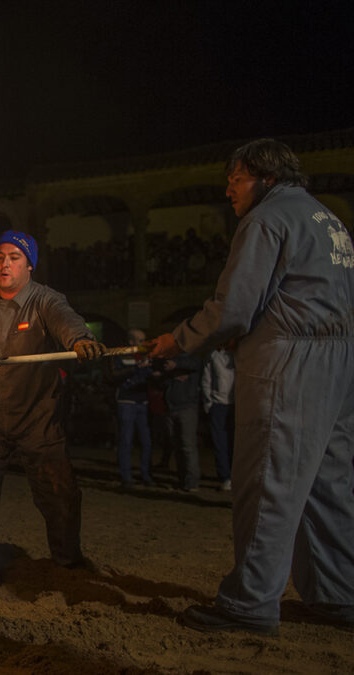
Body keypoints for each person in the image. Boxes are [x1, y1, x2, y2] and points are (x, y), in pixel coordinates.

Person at [148, 139, 354, 635]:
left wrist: (179, 339)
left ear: (262, 177)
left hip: (290, 358)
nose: (228, 191)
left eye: (235, 180)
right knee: (329, 483)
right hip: (341, 358)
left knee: (269, 478)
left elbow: (235, 307)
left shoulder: (265, 220)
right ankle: (339, 595)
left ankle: (250, 604)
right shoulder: (329, 220)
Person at [0, 230, 107, 593]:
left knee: (58, 492)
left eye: (14, 257)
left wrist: (80, 340)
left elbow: (66, 320)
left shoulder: (45, 300)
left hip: (38, 418)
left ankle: (67, 562)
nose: (4, 264)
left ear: (29, 265)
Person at [151, 353, 202, 492]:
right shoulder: (168, 361)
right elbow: (164, 384)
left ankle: (192, 482)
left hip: (186, 407)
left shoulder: (192, 356)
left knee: (187, 445)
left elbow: (196, 363)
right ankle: (182, 480)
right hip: (171, 407)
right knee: (178, 446)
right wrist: (164, 376)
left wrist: (176, 366)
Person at [111, 329, 153, 488]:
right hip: (126, 401)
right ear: (131, 342)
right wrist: (136, 368)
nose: (143, 343)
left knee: (146, 441)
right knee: (126, 440)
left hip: (142, 402)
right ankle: (126, 476)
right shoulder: (121, 354)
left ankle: (145, 474)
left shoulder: (146, 355)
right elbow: (114, 374)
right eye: (140, 340)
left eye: (144, 340)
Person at [200, 347, 235, 491]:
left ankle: (235, 475)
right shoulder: (213, 355)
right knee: (220, 442)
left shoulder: (236, 354)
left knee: (235, 442)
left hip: (235, 404)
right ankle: (225, 476)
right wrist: (209, 402)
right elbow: (206, 379)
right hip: (219, 404)